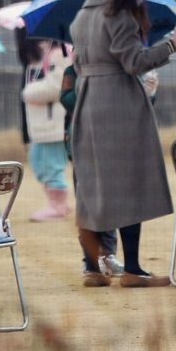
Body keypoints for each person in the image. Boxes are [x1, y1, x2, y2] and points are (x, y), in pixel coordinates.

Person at [69, 0, 176, 288]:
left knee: (92, 186)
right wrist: (172, 44)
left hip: (88, 100)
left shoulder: (83, 15)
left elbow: (80, 63)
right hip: (119, 104)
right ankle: (134, 268)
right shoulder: (118, 15)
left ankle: (92, 266)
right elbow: (134, 62)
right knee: (128, 183)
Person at [60, 65, 124, 280]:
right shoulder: (72, 72)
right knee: (86, 202)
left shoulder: (111, 66)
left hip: (111, 139)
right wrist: (86, 84)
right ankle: (90, 259)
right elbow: (66, 100)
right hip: (81, 142)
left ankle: (108, 253)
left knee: (109, 200)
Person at [21, 38, 73, 221]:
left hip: (54, 123)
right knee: (39, 162)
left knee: (50, 165)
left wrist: (29, 92)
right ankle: (57, 203)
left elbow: (58, 85)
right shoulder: (38, 57)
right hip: (40, 124)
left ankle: (57, 205)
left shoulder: (60, 54)